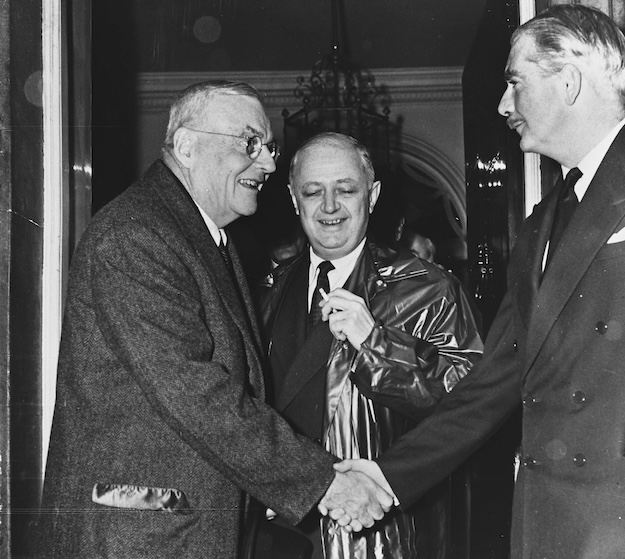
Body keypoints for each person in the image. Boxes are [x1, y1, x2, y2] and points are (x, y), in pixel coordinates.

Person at [335, 6, 625, 558]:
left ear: (571, 80)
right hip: (547, 527)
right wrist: (387, 478)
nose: (503, 105)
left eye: (514, 82)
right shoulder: (539, 226)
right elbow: (493, 382)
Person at [36, 81, 391, 559]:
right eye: (250, 143)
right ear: (186, 145)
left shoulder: (201, 238)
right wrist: (323, 481)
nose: (267, 163)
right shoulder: (136, 234)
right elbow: (194, 392)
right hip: (138, 539)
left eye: (269, 147)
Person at [254, 132, 483, 559]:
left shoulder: (429, 290)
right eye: (312, 191)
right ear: (292, 198)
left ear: (373, 196)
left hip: (369, 536)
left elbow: (470, 408)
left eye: (345, 190)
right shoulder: (264, 289)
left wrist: (376, 343)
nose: (329, 207)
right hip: (274, 535)